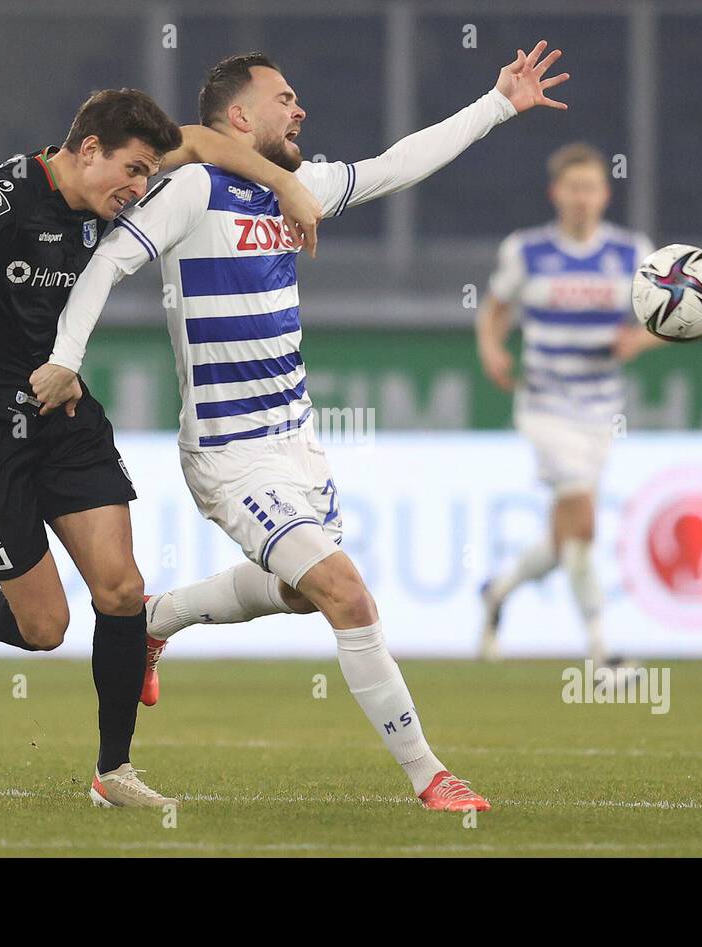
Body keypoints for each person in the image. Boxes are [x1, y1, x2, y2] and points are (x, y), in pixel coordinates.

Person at [30, 44, 571, 811]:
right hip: (231, 455)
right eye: (285, 97)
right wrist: (64, 357)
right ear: (241, 115)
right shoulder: (189, 188)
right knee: (348, 594)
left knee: (301, 591)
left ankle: (160, 621)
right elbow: (108, 263)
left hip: (299, 448)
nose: (301, 109)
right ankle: (430, 776)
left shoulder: (295, 188)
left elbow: (398, 164)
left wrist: (497, 104)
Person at [0, 86, 323, 808]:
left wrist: (284, 180)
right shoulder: (16, 191)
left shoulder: (121, 180)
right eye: (130, 171)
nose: (138, 190)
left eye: (147, 177)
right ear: (87, 150)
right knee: (45, 626)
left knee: (123, 589)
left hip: (59, 405)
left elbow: (206, 142)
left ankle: (113, 771)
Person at [474, 142, 659, 664]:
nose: (582, 198)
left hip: (602, 411)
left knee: (563, 542)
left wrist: (639, 340)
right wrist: (491, 349)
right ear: (556, 193)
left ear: (605, 193)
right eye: (573, 188)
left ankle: (499, 590)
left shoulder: (630, 251)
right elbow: (494, 310)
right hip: (546, 407)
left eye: (591, 188)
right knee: (584, 523)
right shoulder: (528, 250)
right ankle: (601, 651)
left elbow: (677, 318)